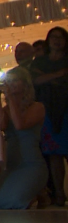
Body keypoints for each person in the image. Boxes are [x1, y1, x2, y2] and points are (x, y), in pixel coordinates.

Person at [0, 66, 47, 209]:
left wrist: (10, 97)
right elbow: (0, 125)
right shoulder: (6, 109)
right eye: (10, 81)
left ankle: (38, 193)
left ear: (25, 84)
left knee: (16, 200)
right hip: (13, 163)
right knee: (0, 201)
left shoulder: (37, 107)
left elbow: (19, 125)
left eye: (16, 81)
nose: (12, 84)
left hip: (31, 162)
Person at [28, 26, 68, 207]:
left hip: (66, 108)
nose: (56, 40)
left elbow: (41, 79)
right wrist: (60, 74)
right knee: (54, 154)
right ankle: (59, 193)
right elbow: (35, 80)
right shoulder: (39, 62)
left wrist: (47, 78)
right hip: (48, 110)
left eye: (60, 37)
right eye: (53, 37)